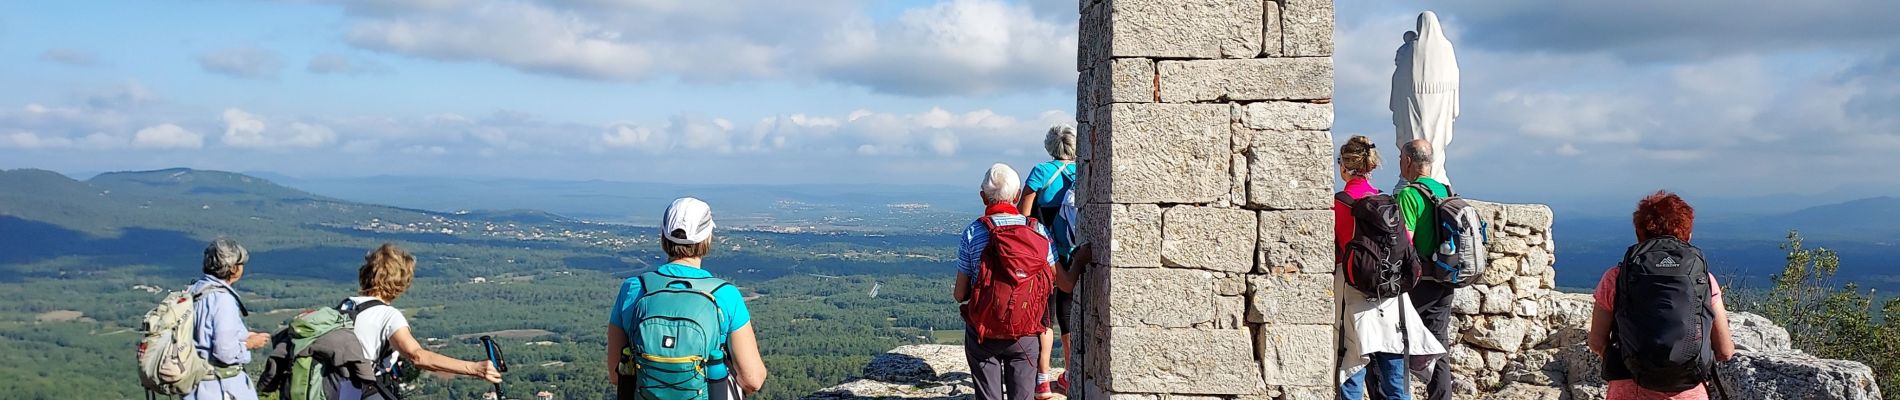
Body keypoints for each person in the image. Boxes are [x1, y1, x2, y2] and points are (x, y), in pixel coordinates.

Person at [607, 197, 769, 400]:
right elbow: (752, 379)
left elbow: (617, 374)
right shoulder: (725, 295)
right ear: (707, 238)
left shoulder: (633, 289)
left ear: (663, 237)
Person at [1588, 192, 1736, 400]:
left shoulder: (1615, 278)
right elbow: (1725, 350)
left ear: (1639, 233)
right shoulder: (1704, 280)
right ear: (1688, 235)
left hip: (1630, 390)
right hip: (1689, 391)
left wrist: (1635, 361)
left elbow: (1596, 342)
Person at [1332, 136, 1445, 400]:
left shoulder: (1339, 203)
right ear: (1371, 167)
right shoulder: (1387, 203)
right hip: (1390, 295)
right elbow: (1404, 245)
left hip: (1353, 293)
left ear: (1344, 166)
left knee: (1351, 367)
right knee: (1395, 371)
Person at [339, 243, 503, 399]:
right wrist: (474, 368)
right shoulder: (388, 316)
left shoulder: (344, 307)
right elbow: (417, 357)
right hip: (365, 391)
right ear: (400, 282)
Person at [958, 164, 1056, 400]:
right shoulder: (1038, 231)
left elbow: (960, 294)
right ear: (1016, 196)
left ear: (983, 197)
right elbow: (1052, 278)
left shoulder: (973, 233)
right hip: (1025, 332)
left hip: (984, 332)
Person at [1017, 124, 1078, 398]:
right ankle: (1069, 374)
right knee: (1068, 313)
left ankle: (1042, 379)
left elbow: (1024, 215)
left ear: (1050, 146)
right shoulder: (1081, 172)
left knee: (1045, 315)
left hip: (1043, 252)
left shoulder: (1040, 172)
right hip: (1072, 251)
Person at [1395, 139, 1455, 400]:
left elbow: (1404, 241)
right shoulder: (1446, 191)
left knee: (1398, 343)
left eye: (1400, 158)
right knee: (1439, 343)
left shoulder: (1409, 194)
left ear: (1408, 161)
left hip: (1420, 281)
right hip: (1446, 277)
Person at [183, 239, 272, 400]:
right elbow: (224, 352)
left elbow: (204, 331)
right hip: (220, 387)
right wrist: (250, 344)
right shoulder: (223, 300)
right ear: (233, 268)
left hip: (195, 387)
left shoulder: (195, 290)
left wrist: (242, 334)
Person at [1394, 11, 1460, 185]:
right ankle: (1434, 174)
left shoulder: (1411, 49)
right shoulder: (1446, 48)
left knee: (1414, 139)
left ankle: (1411, 175)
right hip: (1441, 103)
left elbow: (1399, 77)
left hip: (1412, 104)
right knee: (1436, 140)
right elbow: (1455, 77)